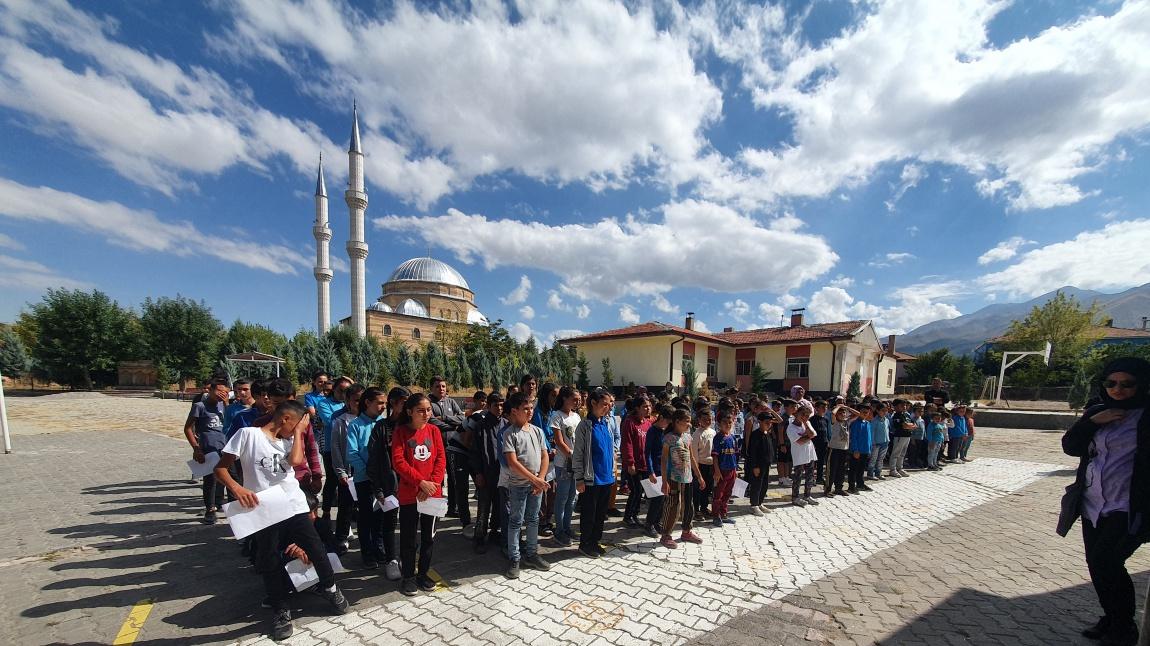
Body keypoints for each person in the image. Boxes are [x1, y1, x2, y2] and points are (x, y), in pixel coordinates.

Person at [213, 400, 349, 641]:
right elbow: (220, 469)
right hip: (264, 509)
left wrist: (297, 433)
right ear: (286, 418)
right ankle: (280, 608)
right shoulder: (248, 435)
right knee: (270, 558)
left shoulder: (288, 441)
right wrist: (237, 489)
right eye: (297, 425)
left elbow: (296, 462)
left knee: (316, 548)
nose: (300, 430)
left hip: (293, 505)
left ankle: (330, 588)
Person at [1061, 357, 1150, 646]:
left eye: (1127, 384)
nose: (1118, 390)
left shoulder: (1147, 416)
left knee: (1108, 561)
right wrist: (1091, 422)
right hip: (1094, 502)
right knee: (1096, 564)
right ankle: (1111, 618)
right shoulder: (1097, 411)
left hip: (1129, 505)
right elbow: (1071, 447)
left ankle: (1124, 627)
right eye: (1111, 383)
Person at [391, 393, 446, 596]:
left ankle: (423, 573)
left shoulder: (434, 431)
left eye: (428, 410)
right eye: (421, 410)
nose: (426, 414)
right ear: (409, 412)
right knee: (409, 538)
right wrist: (420, 483)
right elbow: (399, 462)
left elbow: (440, 458)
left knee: (429, 537)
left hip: (432, 494)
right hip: (410, 494)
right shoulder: (401, 432)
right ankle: (408, 576)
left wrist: (432, 484)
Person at [501, 392, 552, 579]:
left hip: (536, 485)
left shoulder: (537, 431)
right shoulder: (510, 433)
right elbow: (513, 462)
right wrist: (534, 479)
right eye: (525, 409)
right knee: (515, 521)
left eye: (531, 407)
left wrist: (541, 478)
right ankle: (515, 558)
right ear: (514, 411)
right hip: (519, 485)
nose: (530, 411)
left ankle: (532, 554)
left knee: (533, 520)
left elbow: (545, 455)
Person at [366, 387, 406, 581]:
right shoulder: (382, 427)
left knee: (409, 523)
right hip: (390, 484)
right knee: (389, 523)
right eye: (403, 403)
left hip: (411, 484)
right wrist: (378, 488)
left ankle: (406, 558)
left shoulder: (412, 427)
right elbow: (373, 460)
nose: (407, 408)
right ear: (393, 403)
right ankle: (391, 559)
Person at [346, 387, 388, 570]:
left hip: (383, 480)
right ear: (367, 403)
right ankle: (367, 552)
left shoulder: (384, 424)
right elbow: (352, 453)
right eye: (379, 403)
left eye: (385, 403)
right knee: (365, 518)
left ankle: (379, 548)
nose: (383, 407)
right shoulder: (355, 425)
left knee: (380, 516)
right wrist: (369, 472)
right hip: (364, 480)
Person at [573, 388, 616, 559]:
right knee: (589, 514)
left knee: (600, 514)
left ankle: (595, 541)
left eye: (609, 404)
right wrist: (579, 478)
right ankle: (585, 544)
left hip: (606, 478)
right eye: (604, 404)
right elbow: (578, 453)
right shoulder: (585, 426)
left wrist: (613, 469)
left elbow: (610, 450)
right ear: (593, 403)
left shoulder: (606, 423)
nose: (608, 407)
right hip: (592, 479)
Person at [184, 378, 230, 524]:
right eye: (218, 391)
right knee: (210, 480)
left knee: (228, 479)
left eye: (225, 392)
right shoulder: (200, 406)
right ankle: (210, 510)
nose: (221, 394)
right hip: (209, 448)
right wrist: (196, 448)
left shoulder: (227, 406)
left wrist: (227, 404)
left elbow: (232, 422)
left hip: (227, 449)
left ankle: (222, 503)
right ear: (210, 390)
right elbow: (188, 428)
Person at [659, 409, 705, 548]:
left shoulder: (687, 437)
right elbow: (664, 460)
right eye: (687, 421)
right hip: (673, 478)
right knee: (673, 506)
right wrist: (664, 481)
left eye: (690, 421)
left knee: (688, 505)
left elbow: (691, 458)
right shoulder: (669, 438)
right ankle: (666, 534)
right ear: (677, 422)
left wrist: (699, 476)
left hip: (687, 478)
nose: (689, 424)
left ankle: (686, 531)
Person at [327, 383, 365, 552]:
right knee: (345, 505)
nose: (359, 403)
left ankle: (368, 538)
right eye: (356, 400)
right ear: (348, 401)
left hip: (366, 471)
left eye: (363, 400)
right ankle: (341, 538)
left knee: (367, 507)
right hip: (348, 473)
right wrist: (340, 471)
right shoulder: (340, 422)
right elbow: (335, 448)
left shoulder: (371, 420)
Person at [429, 376, 469, 527]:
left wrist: (445, 417)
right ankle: (436, 510)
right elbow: (433, 422)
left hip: (453, 447)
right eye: (438, 386)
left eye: (444, 386)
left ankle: (453, 507)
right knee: (438, 480)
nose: (441, 389)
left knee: (453, 479)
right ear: (432, 388)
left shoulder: (451, 401)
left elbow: (461, 418)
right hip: (436, 448)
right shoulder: (429, 404)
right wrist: (453, 426)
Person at [467, 393, 505, 554]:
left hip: (502, 475)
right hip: (485, 474)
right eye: (496, 405)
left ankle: (495, 532)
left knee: (499, 506)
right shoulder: (481, 426)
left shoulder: (507, 424)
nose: (499, 408)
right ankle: (480, 537)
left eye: (502, 405)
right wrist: (478, 474)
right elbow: (474, 452)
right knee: (484, 508)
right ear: (488, 406)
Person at [549, 386, 581, 547]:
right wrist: (571, 454)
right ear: (564, 398)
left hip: (576, 463)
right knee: (562, 497)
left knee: (572, 497)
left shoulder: (576, 416)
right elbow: (559, 441)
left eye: (578, 399)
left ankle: (567, 527)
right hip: (563, 464)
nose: (577, 402)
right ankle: (559, 530)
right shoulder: (556, 416)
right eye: (574, 399)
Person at [620, 397, 652, 528]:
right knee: (636, 490)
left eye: (649, 406)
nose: (648, 408)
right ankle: (628, 516)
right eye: (645, 406)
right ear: (637, 408)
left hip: (645, 464)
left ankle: (635, 514)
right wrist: (630, 463)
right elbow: (627, 444)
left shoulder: (648, 423)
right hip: (634, 465)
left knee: (643, 491)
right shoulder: (629, 423)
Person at [643, 405, 674, 538]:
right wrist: (650, 471)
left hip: (666, 469)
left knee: (664, 498)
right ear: (661, 418)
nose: (668, 425)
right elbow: (648, 452)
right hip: (655, 469)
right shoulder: (652, 431)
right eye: (667, 422)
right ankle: (649, 524)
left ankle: (657, 522)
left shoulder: (666, 431)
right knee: (657, 499)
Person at [745, 410, 778, 516]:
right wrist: (755, 466)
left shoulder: (767, 434)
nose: (769, 424)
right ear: (760, 422)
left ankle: (760, 503)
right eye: (766, 422)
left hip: (766, 464)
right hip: (758, 465)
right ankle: (753, 505)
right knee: (757, 484)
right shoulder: (755, 435)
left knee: (764, 484)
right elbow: (753, 452)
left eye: (770, 422)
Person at [710, 409, 739, 527]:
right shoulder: (718, 438)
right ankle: (716, 516)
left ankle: (724, 514)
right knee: (718, 494)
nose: (727, 425)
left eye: (730, 422)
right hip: (721, 471)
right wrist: (716, 471)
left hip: (731, 470)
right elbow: (715, 457)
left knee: (728, 493)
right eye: (725, 422)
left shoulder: (732, 438)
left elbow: (735, 455)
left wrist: (735, 470)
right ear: (719, 424)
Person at [787, 406, 820, 506]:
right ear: (796, 414)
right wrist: (808, 436)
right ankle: (795, 497)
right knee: (798, 476)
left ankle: (807, 495)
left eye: (807, 415)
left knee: (810, 475)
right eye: (803, 414)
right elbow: (800, 441)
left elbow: (814, 434)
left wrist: (805, 423)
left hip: (810, 453)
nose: (805, 417)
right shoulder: (791, 427)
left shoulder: (807, 423)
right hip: (799, 455)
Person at [826, 403, 859, 496]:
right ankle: (828, 489)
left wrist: (847, 407)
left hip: (844, 449)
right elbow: (832, 414)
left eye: (844, 413)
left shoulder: (846, 422)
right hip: (834, 449)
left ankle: (838, 488)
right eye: (840, 413)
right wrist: (838, 407)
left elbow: (858, 414)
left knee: (841, 469)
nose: (842, 414)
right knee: (832, 470)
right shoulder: (834, 422)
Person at [692, 408, 716, 517]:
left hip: (711, 465)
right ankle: (696, 510)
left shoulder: (713, 432)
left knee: (708, 488)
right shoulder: (696, 434)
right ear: (699, 420)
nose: (707, 421)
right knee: (698, 488)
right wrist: (696, 469)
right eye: (705, 419)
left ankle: (704, 507)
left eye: (709, 419)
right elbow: (694, 453)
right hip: (700, 465)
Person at [848, 404, 873, 494]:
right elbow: (853, 438)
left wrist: (870, 448)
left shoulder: (868, 423)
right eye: (863, 412)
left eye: (867, 412)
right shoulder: (855, 424)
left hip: (865, 450)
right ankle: (851, 486)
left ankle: (860, 484)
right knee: (853, 469)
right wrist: (855, 450)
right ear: (859, 412)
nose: (866, 414)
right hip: (857, 451)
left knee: (861, 469)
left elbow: (869, 438)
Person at [887, 399, 915, 478]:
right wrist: (909, 426)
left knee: (902, 454)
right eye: (902, 405)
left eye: (905, 405)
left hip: (907, 435)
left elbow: (914, 425)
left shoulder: (906, 414)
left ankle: (900, 468)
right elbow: (904, 425)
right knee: (896, 453)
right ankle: (892, 469)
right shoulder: (897, 415)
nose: (904, 407)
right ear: (895, 407)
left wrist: (909, 426)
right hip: (900, 436)